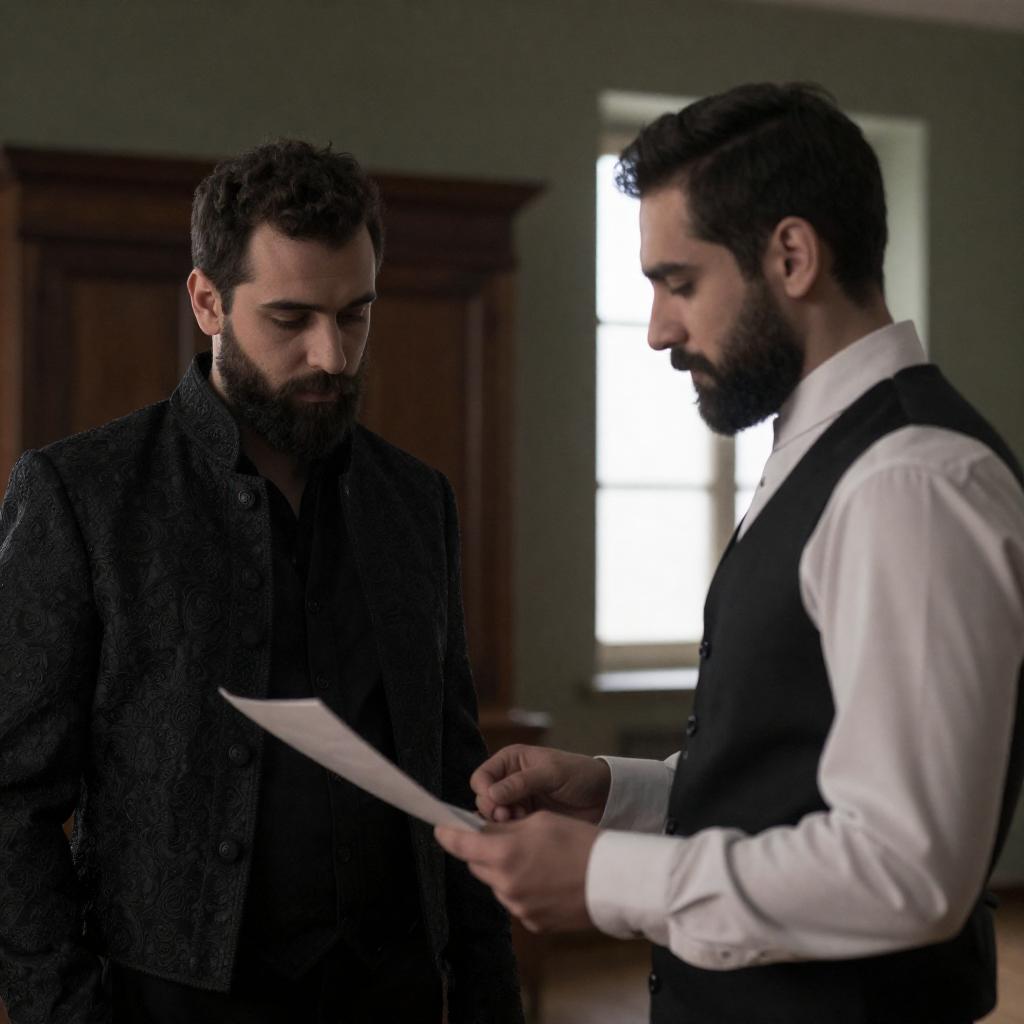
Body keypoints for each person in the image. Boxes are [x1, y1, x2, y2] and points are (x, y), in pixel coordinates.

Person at [436, 82, 1024, 1024]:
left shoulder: (910, 482)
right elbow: (794, 781)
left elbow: (905, 870)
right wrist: (614, 794)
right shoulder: (825, 452)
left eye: (678, 283)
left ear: (792, 255)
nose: (659, 330)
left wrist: (604, 878)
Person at [0, 139, 522, 1023]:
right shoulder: (82, 495)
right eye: (291, 318)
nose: (333, 355)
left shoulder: (415, 500)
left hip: (391, 994)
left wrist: (488, 1001)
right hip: (169, 1002)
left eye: (355, 315)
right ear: (207, 301)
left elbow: (452, 770)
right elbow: (11, 797)